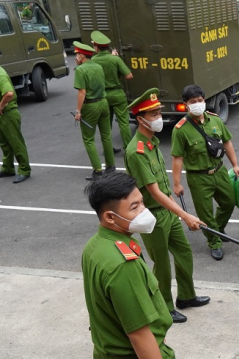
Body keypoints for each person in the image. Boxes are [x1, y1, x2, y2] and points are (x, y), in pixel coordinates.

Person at [82, 172, 198, 359]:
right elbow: (138, 333)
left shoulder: (96, 247)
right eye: (134, 207)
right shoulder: (124, 265)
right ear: (109, 217)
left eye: (142, 203)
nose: (144, 212)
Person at [124, 88, 210, 324]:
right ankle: (165, 307)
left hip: (168, 213)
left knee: (184, 253)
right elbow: (153, 191)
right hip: (152, 216)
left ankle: (186, 296)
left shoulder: (151, 143)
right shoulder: (136, 151)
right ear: (140, 118)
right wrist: (185, 215)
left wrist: (181, 215)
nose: (158, 117)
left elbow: (164, 188)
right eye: (153, 114)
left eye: (159, 112)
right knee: (161, 265)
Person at [171, 84, 239, 261]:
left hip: (220, 171)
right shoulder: (180, 129)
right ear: (186, 104)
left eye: (200, 100)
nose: (197, 104)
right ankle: (214, 243)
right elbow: (177, 158)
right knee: (205, 214)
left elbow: (227, 143)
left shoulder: (215, 120)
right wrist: (177, 183)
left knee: (229, 202)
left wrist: (235, 165)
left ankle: (217, 228)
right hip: (198, 177)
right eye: (193, 102)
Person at [73, 41, 115, 181]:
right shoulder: (98, 66)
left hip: (90, 106)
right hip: (103, 102)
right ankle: (111, 166)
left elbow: (82, 92)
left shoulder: (80, 70)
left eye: (77, 54)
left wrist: (78, 111)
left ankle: (97, 170)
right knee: (106, 136)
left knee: (88, 139)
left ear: (81, 56)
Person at [91, 30, 133, 153]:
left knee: (105, 125)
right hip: (117, 94)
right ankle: (128, 148)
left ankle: (108, 150)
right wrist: (116, 60)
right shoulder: (115, 59)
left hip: (102, 95)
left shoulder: (93, 60)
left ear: (97, 47)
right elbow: (129, 75)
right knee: (123, 123)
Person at [0, 64, 31, 183]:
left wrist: (1, 106)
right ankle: (8, 168)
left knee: (16, 142)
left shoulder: (0, 74)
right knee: (4, 143)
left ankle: (24, 170)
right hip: (3, 114)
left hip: (8, 113)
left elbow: (9, 93)